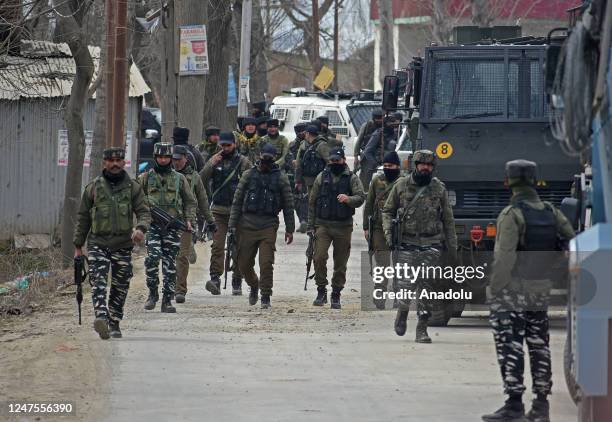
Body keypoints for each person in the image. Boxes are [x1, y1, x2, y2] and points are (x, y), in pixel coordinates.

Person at [482, 159, 575, 422]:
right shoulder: (551, 212)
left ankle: (513, 405)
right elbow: (571, 243)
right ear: (535, 181)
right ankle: (541, 406)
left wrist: (494, 290)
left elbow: (504, 259)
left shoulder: (511, 215)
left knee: (509, 345)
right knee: (538, 345)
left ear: (507, 182)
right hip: (540, 291)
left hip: (512, 292)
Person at [73, 147, 151, 339]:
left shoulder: (133, 187)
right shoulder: (93, 188)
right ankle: (101, 316)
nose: (115, 164)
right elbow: (83, 218)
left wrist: (140, 228)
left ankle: (114, 320)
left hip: (123, 245)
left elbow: (144, 212)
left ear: (124, 163)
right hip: (98, 243)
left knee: (120, 284)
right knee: (98, 281)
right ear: (104, 163)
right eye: (111, 161)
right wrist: (78, 246)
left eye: (119, 161)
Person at [382, 149, 457, 343]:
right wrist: (389, 234)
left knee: (427, 288)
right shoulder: (401, 185)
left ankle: (422, 328)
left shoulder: (439, 188)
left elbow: (448, 220)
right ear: (415, 165)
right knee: (405, 285)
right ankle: (403, 311)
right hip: (407, 243)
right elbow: (388, 211)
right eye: (422, 164)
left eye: (430, 165)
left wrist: (452, 247)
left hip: (431, 244)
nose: (426, 168)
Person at [228, 144, 295, 308]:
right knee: (243, 264)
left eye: (269, 158)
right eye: (263, 157)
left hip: (268, 225)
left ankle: (266, 295)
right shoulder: (248, 175)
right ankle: (254, 284)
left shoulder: (281, 178)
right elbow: (236, 202)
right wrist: (232, 226)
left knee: (266, 263)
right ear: (258, 156)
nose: (265, 161)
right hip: (247, 224)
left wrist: (290, 229)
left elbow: (288, 205)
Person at [139, 143, 196, 313]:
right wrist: (140, 223)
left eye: (166, 157)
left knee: (170, 264)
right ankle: (152, 293)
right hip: (153, 226)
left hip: (172, 227)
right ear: (155, 158)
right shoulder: (146, 178)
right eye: (159, 157)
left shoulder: (179, 178)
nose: (163, 160)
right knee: (152, 259)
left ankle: (167, 300)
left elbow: (190, 201)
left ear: (171, 158)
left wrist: (189, 220)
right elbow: (136, 200)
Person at [308, 147, 365, 309]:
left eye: (337, 161)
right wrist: (311, 226)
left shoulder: (352, 178)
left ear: (343, 161)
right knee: (318, 257)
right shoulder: (322, 177)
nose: (334, 163)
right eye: (332, 161)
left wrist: (348, 199)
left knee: (340, 262)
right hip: (323, 225)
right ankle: (321, 290)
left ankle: (336, 292)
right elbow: (312, 202)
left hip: (343, 226)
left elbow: (361, 197)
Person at [200, 132, 252, 295]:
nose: (225, 148)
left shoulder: (243, 162)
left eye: (228, 145)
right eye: (222, 145)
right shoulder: (215, 160)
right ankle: (215, 277)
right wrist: (210, 164)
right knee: (217, 245)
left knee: (240, 246)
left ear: (234, 144)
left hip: (238, 211)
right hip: (218, 211)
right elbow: (200, 180)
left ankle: (237, 278)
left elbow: (252, 182)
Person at [172, 145, 217, 304]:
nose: (176, 162)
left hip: (186, 221)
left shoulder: (194, 177)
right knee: (168, 256)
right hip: (166, 221)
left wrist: (210, 221)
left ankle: (180, 290)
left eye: (179, 159)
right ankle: (168, 287)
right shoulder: (165, 175)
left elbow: (203, 201)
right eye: (174, 159)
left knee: (181, 256)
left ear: (186, 158)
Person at [363, 151, 402, 310]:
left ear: (397, 166)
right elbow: (369, 204)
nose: (387, 169)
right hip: (379, 228)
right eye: (385, 166)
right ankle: (380, 294)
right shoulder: (376, 181)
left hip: (400, 228)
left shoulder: (404, 182)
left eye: (390, 166)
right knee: (382, 264)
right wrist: (366, 226)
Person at [361, 113, 401, 189]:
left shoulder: (395, 133)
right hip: (380, 165)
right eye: (392, 125)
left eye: (395, 125)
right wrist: (376, 164)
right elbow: (367, 151)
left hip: (393, 166)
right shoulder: (378, 134)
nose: (394, 127)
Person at [289, 122, 308, 232]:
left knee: (304, 199)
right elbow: (288, 160)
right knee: (297, 200)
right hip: (296, 176)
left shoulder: (309, 144)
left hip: (306, 176)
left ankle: (305, 220)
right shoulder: (293, 146)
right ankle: (303, 220)